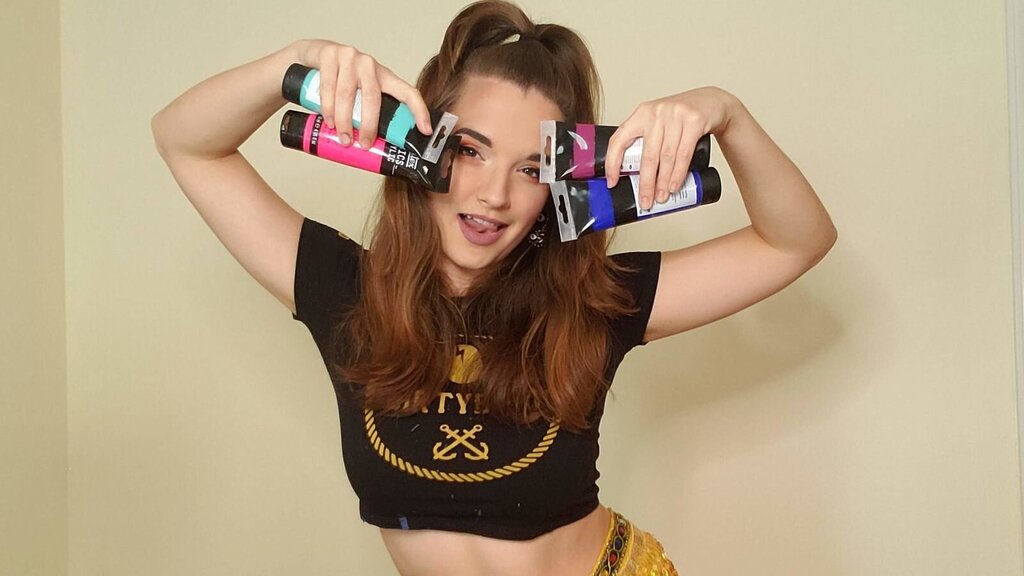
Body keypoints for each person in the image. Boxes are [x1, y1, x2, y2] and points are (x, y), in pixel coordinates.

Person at [151, 1, 836, 574]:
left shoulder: (593, 301)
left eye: (532, 168)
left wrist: (727, 114)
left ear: (559, 184)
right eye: (471, 150)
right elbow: (186, 141)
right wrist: (294, 64)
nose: (494, 194)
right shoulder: (344, 288)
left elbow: (796, 240)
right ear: (419, 147)